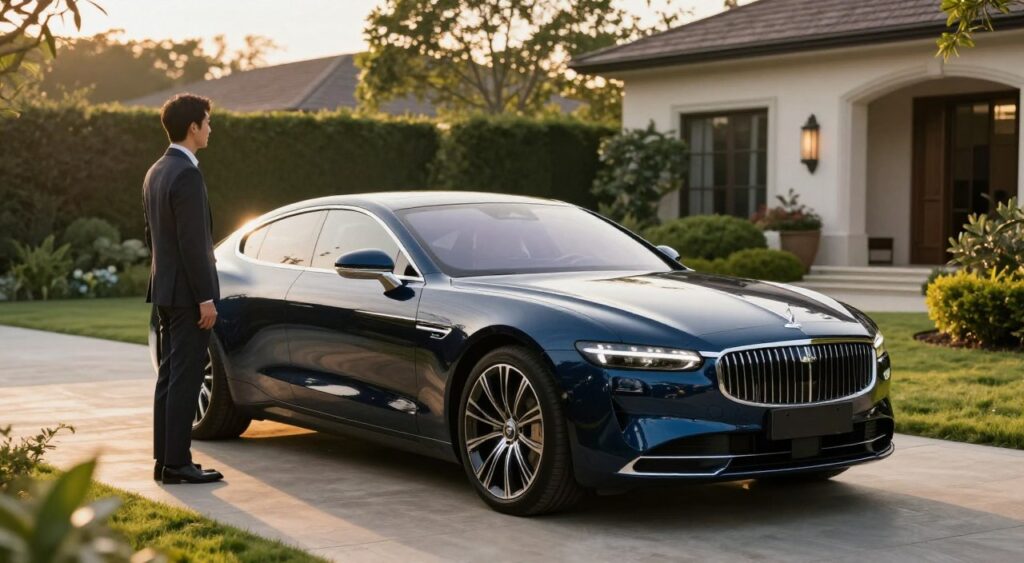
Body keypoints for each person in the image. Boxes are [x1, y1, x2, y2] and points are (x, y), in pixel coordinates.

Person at [143, 93, 224, 484]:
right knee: (185, 378)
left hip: (164, 289)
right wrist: (205, 298)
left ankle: (165, 461)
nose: (211, 128)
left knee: (169, 376)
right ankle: (177, 464)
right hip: (189, 295)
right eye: (208, 121)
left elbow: (153, 237)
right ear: (193, 127)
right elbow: (194, 243)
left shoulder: (156, 170)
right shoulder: (187, 174)